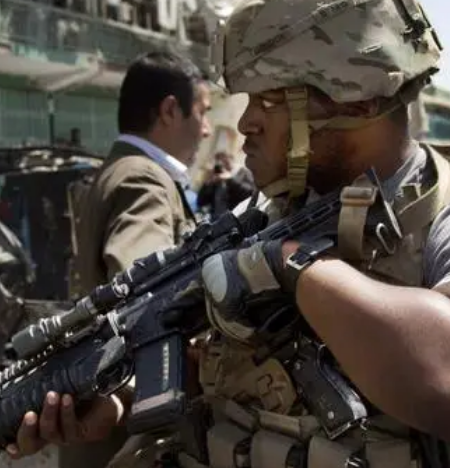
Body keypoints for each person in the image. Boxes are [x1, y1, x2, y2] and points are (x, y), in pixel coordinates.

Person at [7, 0, 450, 467]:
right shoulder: (266, 211)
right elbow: (224, 366)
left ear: (356, 99)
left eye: (269, 100)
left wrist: (291, 266)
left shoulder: (433, 214)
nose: (244, 123)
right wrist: (118, 400)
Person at [60, 49, 211, 468]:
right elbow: (146, 294)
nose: (207, 129)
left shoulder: (120, 168)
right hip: (126, 441)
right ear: (170, 110)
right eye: (203, 112)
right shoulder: (142, 177)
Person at [197, 151, 254, 219]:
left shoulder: (243, 173)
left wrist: (230, 180)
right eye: (220, 163)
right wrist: (208, 182)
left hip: (236, 219)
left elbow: (249, 193)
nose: (224, 165)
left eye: (225, 161)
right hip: (215, 219)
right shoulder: (217, 177)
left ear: (231, 159)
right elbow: (201, 202)